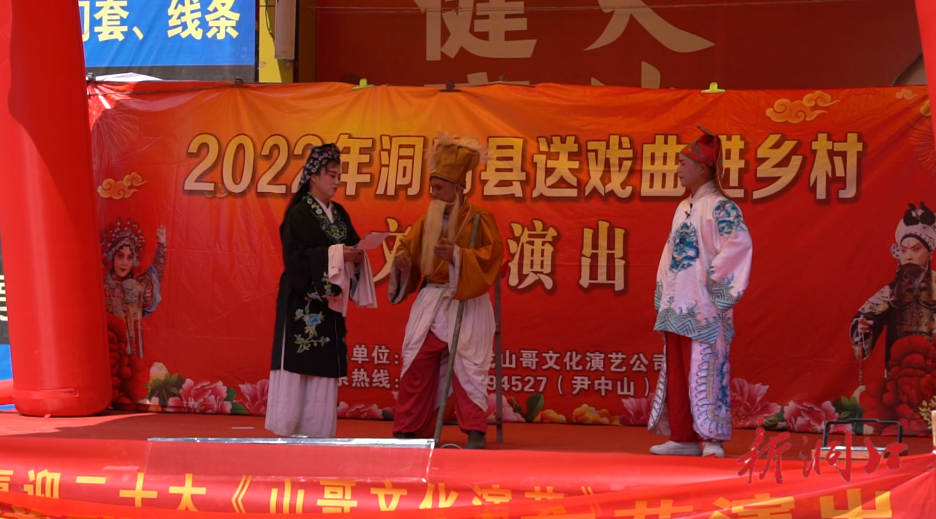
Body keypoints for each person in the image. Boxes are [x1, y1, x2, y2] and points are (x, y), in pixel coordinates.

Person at [389, 134, 503, 449]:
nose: (434, 193)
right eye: (432, 187)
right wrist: (402, 260)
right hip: (432, 301)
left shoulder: (480, 219)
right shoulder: (427, 220)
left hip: (466, 300)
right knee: (416, 361)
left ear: (458, 188)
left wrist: (457, 256)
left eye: (439, 188)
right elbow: (407, 249)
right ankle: (407, 428)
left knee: (468, 366)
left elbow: (492, 257)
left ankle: (475, 430)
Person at [646, 127, 753, 458]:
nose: (678, 169)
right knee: (678, 371)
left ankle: (711, 438)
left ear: (703, 169)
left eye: (683, 163)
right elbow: (668, 253)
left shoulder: (723, 209)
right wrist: (665, 289)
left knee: (706, 368)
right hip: (678, 301)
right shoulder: (682, 208)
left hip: (704, 303)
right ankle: (684, 436)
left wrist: (714, 287)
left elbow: (738, 247)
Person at [266, 143, 376, 438]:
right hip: (301, 299)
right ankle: (288, 429)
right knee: (297, 364)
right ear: (313, 176)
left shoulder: (338, 214)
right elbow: (296, 257)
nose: (337, 181)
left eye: (339, 176)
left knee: (324, 367)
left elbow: (350, 244)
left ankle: (318, 432)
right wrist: (338, 254)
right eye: (331, 174)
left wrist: (354, 255)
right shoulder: (299, 213)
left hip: (330, 304)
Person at [101, 218, 166, 358]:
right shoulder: (102, 287)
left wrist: (161, 245)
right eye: (120, 256)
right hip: (109, 354)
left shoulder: (136, 287)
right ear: (112, 256)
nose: (124, 263)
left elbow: (156, 273)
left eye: (129, 257)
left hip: (135, 356)